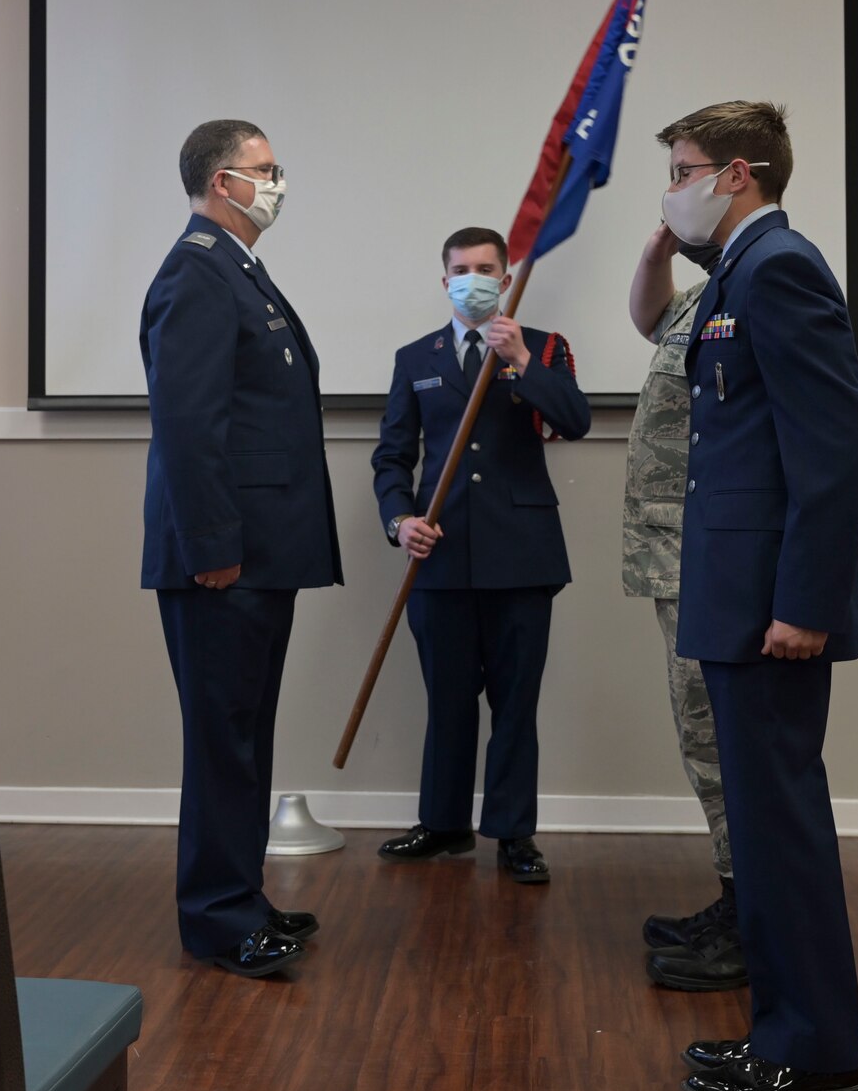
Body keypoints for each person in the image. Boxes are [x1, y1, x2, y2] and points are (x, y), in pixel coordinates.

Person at [655, 102, 858, 1091]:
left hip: (771, 610)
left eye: (683, 170)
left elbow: (834, 449)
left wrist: (805, 602)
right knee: (763, 825)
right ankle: (782, 1032)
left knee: (780, 830)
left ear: (736, 175)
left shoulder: (779, 267)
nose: (673, 187)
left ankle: (814, 1050)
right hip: (737, 599)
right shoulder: (736, 273)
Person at [140, 119, 343, 978]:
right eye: (264, 170)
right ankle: (218, 918)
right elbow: (190, 429)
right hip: (225, 558)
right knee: (223, 737)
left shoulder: (235, 270)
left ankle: (240, 897)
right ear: (223, 182)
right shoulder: (196, 272)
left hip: (262, 552)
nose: (277, 182)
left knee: (245, 734)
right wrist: (213, 546)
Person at [370, 226, 591, 884]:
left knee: (515, 704)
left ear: (505, 274)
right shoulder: (416, 357)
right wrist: (400, 520)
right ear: (445, 282)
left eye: (486, 267)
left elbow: (575, 421)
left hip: (522, 557)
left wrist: (523, 359)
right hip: (439, 556)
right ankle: (442, 825)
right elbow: (392, 457)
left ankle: (514, 834)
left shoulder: (544, 346)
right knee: (447, 701)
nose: (473, 277)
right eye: (461, 269)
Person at [622, 222, 751, 993]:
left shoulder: (764, 287)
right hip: (677, 563)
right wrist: (654, 252)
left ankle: (751, 923)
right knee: (703, 744)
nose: (672, 191)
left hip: (711, 564)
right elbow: (648, 320)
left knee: (724, 746)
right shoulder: (707, 297)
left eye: (684, 172)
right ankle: (738, 900)